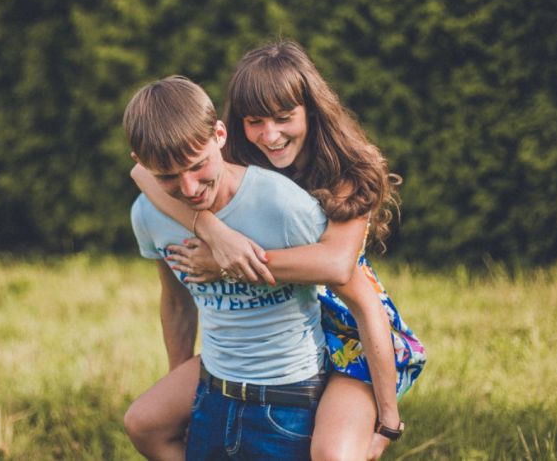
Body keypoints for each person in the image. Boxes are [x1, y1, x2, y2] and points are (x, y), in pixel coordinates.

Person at [125, 41, 426, 460]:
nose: (270, 134)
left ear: (311, 112)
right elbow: (143, 170)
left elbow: (338, 267)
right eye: (255, 120)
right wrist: (210, 228)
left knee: (332, 454)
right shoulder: (234, 159)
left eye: (284, 118)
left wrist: (227, 263)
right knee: (147, 419)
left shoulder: (348, 174)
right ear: (233, 126)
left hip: (345, 329)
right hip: (272, 320)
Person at [125, 75, 351, 459]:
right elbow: (177, 300)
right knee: (143, 423)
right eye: (167, 177)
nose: (190, 188)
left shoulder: (280, 204)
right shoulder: (148, 215)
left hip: (286, 398)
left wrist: (382, 415)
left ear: (219, 135)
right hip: (214, 393)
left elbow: (345, 284)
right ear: (143, 166)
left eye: (198, 166)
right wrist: (183, 385)